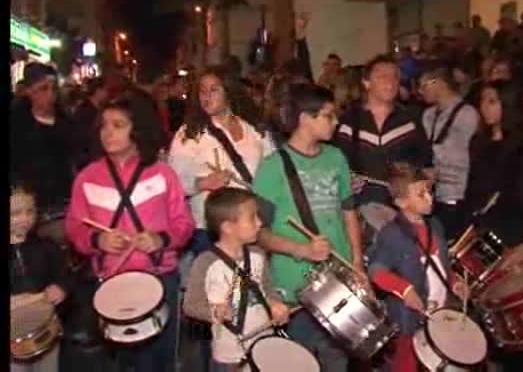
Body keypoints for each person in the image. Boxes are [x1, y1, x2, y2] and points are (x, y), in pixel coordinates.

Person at [65, 88, 195, 372]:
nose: (107, 133)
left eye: (118, 125)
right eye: (104, 126)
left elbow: (184, 225)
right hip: (111, 282)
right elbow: (74, 228)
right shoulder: (87, 178)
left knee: (160, 364)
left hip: (160, 279)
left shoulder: (163, 175)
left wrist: (160, 239)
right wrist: (98, 239)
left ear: (138, 131)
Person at [253, 84, 365, 371]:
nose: (336, 121)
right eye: (328, 116)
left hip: (339, 281)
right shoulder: (272, 167)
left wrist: (356, 263)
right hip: (294, 287)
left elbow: (349, 213)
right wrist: (301, 249)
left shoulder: (336, 158)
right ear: (305, 119)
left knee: (337, 361)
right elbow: (258, 233)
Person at [368, 162, 468, 372]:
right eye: (421, 194)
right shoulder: (391, 234)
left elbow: (442, 267)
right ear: (401, 201)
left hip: (440, 313)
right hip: (409, 321)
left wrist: (456, 282)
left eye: (429, 191)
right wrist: (405, 289)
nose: (430, 198)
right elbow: (376, 271)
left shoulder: (436, 225)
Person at [168, 66, 275, 253]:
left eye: (213, 89)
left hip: (251, 224)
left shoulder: (254, 129)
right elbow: (173, 183)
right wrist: (202, 183)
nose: (206, 96)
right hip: (210, 229)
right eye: (202, 91)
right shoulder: (190, 133)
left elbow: (273, 170)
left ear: (229, 91)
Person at [183, 188, 290, 371]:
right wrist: (214, 312)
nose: (260, 223)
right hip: (229, 354)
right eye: (252, 217)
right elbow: (190, 305)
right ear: (227, 227)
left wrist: (276, 305)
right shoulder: (206, 262)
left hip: (263, 345)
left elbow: (268, 290)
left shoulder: (258, 255)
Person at [333, 54, 433, 240]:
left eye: (395, 76)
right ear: (366, 82)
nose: (390, 81)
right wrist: (347, 182)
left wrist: (422, 186)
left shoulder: (410, 121)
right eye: (382, 76)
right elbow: (336, 168)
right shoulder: (348, 122)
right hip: (362, 214)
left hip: (404, 213)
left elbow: (427, 166)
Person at [10, 63, 74, 245]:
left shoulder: (65, 120)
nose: (50, 95)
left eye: (54, 89)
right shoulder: (17, 122)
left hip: (62, 200)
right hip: (28, 203)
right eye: (42, 89)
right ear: (29, 91)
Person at [10, 181, 71, 372]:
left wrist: (61, 287)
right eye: (15, 214)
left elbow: (65, 274)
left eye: (30, 212)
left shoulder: (46, 246)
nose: (25, 219)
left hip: (46, 330)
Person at [464, 81, 523, 247]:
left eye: (492, 101)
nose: (484, 107)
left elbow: (522, 190)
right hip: (479, 222)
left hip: (511, 224)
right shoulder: (478, 141)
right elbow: (472, 183)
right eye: (483, 101)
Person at [419, 64, 479, 241]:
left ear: (438, 82)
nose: (420, 92)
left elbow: (461, 155)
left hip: (455, 193)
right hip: (430, 195)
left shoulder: (467, 113)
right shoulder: (427, 115)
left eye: (424, 86)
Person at [72, 77, 109, 171]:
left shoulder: (100, 109)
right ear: (98, 91)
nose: (107, 94)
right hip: (88, 161)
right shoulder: (84, 112)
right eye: (105, 90)